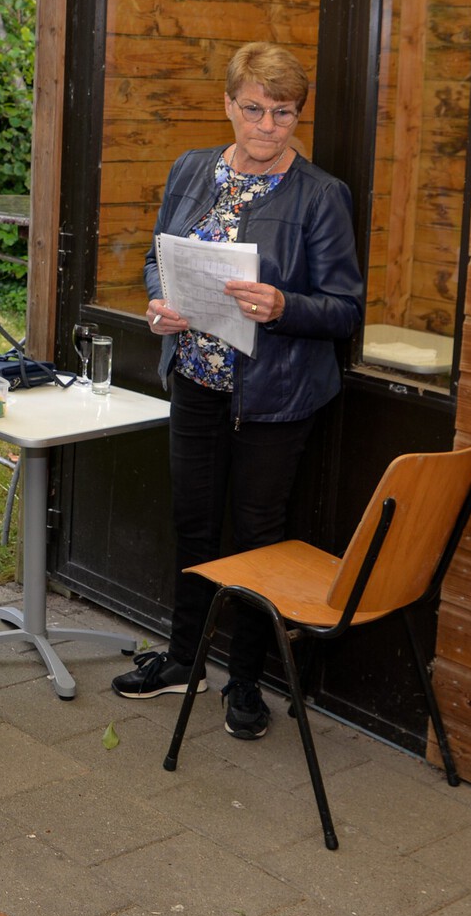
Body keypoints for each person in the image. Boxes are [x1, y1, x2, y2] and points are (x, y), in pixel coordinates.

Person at [111, 42, 364, 739]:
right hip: (196, 378)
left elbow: (345, 307)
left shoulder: (321, 195)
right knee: (193, 523)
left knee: (256, 539)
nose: (266, 126)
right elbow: (156, 257)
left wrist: (284, 305)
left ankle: (246, 680)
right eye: (252, 109)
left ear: (296, 115)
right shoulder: (193, 169)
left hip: (275, 397)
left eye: (282, 113)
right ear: (227, 104)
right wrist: (159, 301)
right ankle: (184, 657)